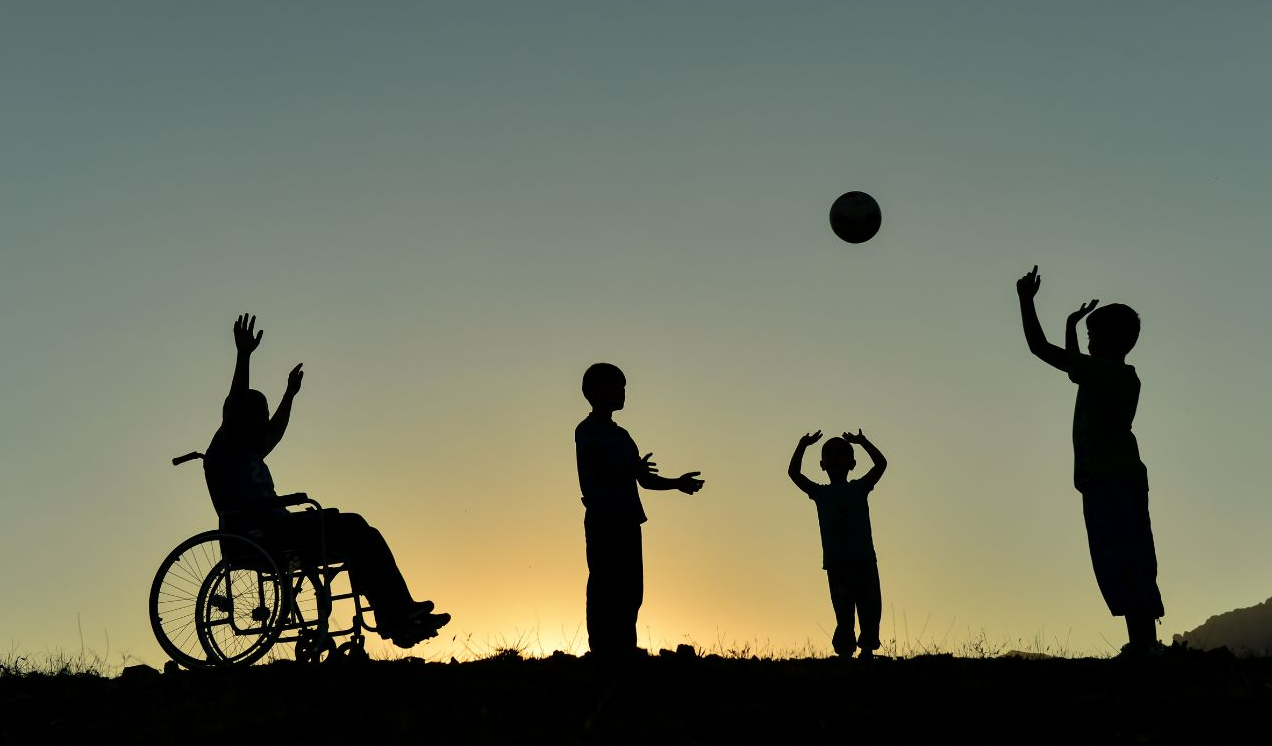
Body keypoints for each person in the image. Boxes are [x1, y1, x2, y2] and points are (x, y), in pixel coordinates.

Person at [204, 313, 449, 648]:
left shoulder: (250, 450)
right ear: (244, 418)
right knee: (352, 528)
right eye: (259, 415)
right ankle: (395, 614)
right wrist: (244, 355)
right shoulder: (227, 446)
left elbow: (274, 433)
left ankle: (397, 613)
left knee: (359, 533)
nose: (264, 422)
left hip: (276, 531)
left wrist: (289, 395)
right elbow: (235, 408)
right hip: (257, 536)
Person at [1015, 266, 1164, 656]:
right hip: (1112, 478)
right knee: (1124, 555)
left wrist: (1025, 301)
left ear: (1113, 338)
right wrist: (1070, 324)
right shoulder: (1111, 374)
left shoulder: (1106, 374)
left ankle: (1145, 644)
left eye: (1093, 334)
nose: (1089, 340)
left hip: (1111, 478)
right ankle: (1142, 642)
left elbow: (1042, 350)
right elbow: (1072, 368)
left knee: (1124, 556)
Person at [574, 362, 704, 659]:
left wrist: (676, 483)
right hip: (603, 519)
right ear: (595, 390)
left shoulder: (622, 436)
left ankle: (624, 648)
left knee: (631, 589)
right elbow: (598, 470)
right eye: (616, 385)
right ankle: (604, 651)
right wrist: (630, 468)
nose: (622, 392)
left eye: (623, 387)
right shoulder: (587, 431)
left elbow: (642, 478)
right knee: (605, 584)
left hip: (629, 519)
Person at [788, 429, 888, 659]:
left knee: (870, 608)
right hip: (837, 563)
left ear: (852, 463)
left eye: (841, 455)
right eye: (829, 455)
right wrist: (802, 445)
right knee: (843, 611)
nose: (835, 460)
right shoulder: (820, 493)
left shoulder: (859, 488)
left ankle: (866, 650)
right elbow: (794, 473)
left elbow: (881, 464)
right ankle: (845, 651)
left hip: (863, 560)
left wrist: (863, 441)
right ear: (822, 464)